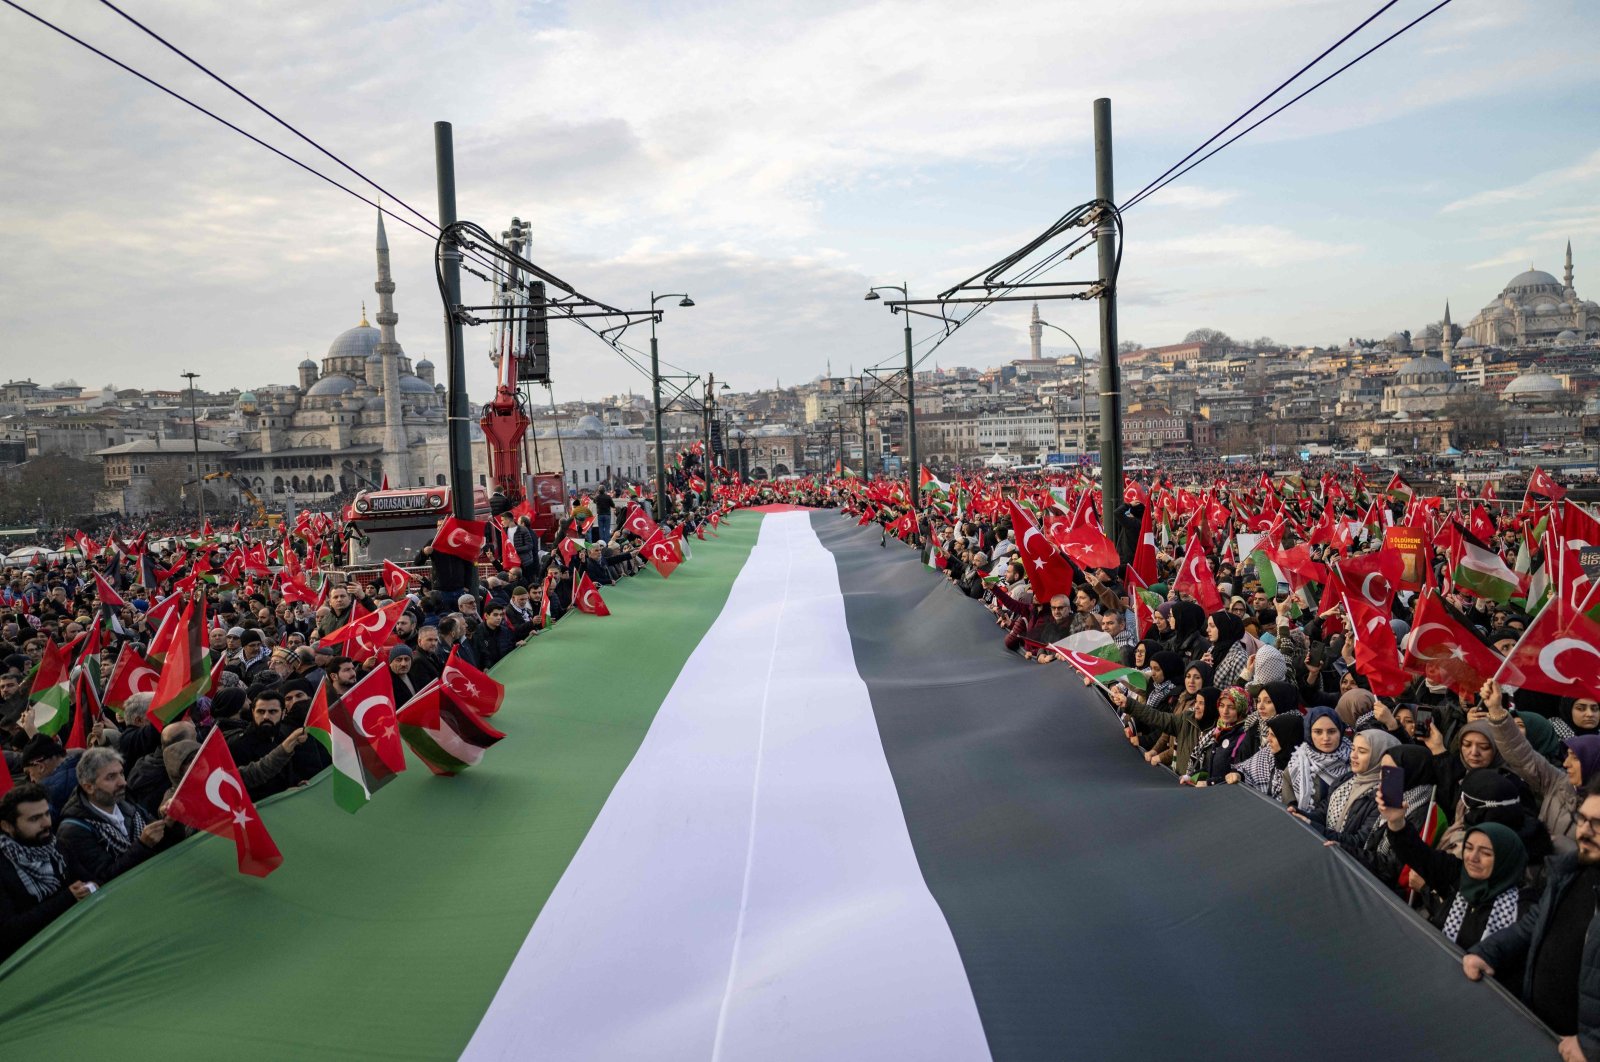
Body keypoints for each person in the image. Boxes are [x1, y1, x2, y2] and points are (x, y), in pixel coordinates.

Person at [1466, 777, 1600, 1062]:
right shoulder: (1571, 870)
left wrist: (1594, 1045)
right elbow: (1533, 924)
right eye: (1583, 819)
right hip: (1539, 1032)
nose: (1585, 832)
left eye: (1597, 824)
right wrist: (1489, 952)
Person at [1380, 784, 1527, 954]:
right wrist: (1396, 821)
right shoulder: (1458, 874)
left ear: (1505, 860)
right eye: (1469, 848)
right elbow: (1417, 854)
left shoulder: (1522, 912)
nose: (1473, 857)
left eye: (1486, 853)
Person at [0, 783, 93, 961]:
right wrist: (68, 898)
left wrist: (89, 888)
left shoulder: (57, 846)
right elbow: (8, 931)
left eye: (46, 814)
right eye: (34, 819)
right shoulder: (4, 866)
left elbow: (90, 880)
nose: (46, 823)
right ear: (7, 826)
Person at [56, 747, 170, 884]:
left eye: (121, 773)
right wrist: (142, 845)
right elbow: (105, 877)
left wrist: (169, 823)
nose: (123, 782)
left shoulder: (126, 803)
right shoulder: (73, 830)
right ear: (89, 787)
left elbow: (163, 844)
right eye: (111, 777)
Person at [1283, 705, 1352, 815]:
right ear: (1309, 733)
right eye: (1318, 732)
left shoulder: (1355, 758)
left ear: (1340, 731)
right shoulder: (1296, 766)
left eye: (1332, 731)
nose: (1325, 738)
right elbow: (1291, 810)